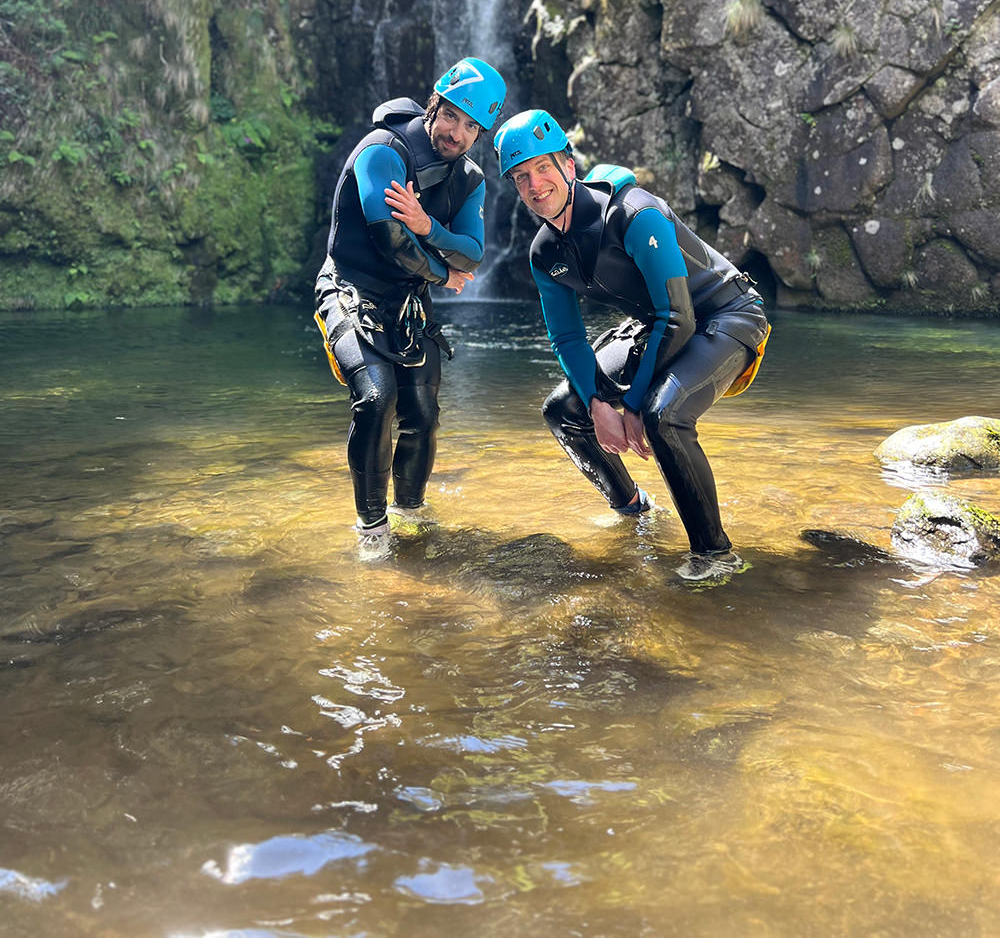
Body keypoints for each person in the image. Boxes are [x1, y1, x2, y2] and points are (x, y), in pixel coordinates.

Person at [494, 109, 770, 581]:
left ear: (569, 165)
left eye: (543, 167)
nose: (535, 185)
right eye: (521, 177)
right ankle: (633, 510)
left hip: (727, 313)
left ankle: (715, 555)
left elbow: (678, 316)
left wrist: (634, 404)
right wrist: (599, 403)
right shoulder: (545, 252)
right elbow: (565, 336)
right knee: (564, 410)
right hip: (660, 323)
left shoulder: (634, 213)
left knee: (665, 415)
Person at [315, 57, 506, 554]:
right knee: (377, 399)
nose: (457, 133)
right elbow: (388, 238)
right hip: (350, 284)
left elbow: (473, 251)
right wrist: (443, 272)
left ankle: (411, 515)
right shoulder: (382, 150)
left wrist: (428, 227)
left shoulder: (470, 179)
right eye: (451, 116)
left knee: (422, 414)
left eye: (471, 126)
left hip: (408, 299)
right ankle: (372, 528)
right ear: (434, 106)